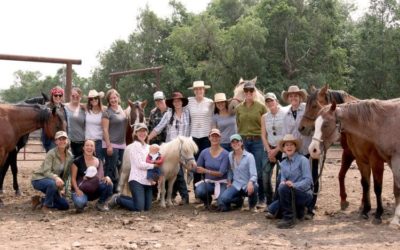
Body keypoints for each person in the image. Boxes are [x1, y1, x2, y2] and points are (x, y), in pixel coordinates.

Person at [147, 91, 191, 204]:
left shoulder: (187, 113)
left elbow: (191, 129)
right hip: (170, 148)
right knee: (171, 172)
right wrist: (147, 138)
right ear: (172, 103)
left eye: (179, 101)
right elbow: (159, 127)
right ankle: (173, 196)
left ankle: (182, 196)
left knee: (180, 172)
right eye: (175, 101)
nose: (177, 103)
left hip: (182, 147)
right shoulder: (169, 114)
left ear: (182, 102)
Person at [281, 85, 318, 218]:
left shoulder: (307, 109)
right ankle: (297, 205)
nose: (293, 97)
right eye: (291, 96)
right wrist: (285, 153)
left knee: (313, 178)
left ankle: (311, 208)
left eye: (296, 95)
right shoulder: (286, 116)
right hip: (295, 151)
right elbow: (286, 135)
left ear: (300, 96)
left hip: (309, 148)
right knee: (297, 177)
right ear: (288, 98)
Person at [110, 123, 161, 211]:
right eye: (139, 131)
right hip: (136, 180)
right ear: (135, 133)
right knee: (139, 208)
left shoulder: (150, 147)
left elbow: (157, 161)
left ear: (147, 133)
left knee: (147, 207)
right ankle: (117, 199)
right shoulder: (133, 147)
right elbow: (139, 164)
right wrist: (154, 165)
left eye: (144, 131)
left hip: (148, 181)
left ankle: (134, 200)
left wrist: (155, 177)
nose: (142, 133)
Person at [235, 81, 267, 208]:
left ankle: (261, 198)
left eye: (251, 91)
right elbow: (238, 124)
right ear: (244, 93)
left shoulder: (261, 107)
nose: (248, 93)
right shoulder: (238, 109)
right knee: (244, 169)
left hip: (257, 140)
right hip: (244, 140)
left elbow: (265, 125)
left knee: (258, 169)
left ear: (254, 92)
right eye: (246, 91)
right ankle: (245, 197)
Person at [270, 134, 313, 229]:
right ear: (284, 148)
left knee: (283, 191)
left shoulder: (303, 160)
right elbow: (283, 180)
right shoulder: (283, 163)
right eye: (286, 145)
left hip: (303, 193)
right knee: (272, 209)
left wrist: (294, 185)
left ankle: (289, 219)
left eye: (291, 145)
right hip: (289, 193)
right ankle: (299, 211)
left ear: (295, 147)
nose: (289, 147)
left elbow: (308, 180)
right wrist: (282, 183)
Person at [31, 131, 72, 211]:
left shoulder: (69, 156)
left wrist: (62, 189)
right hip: (39, 179)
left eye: (64, 139)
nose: (62, 141)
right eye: (59, 139)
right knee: (52, 184)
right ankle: (46, 206)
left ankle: (40, 200)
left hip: (54, 182)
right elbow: (46, 171)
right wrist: (56, 178)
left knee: (65, 206)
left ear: (67, 141)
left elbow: (66, 175)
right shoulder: (51, 153)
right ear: (56, 141)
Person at [187, 81, 214, 198]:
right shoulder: (189, 102)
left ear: (204, 90)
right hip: (193, 136)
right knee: (195, 164)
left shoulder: (210, 102)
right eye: (196, 89)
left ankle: (207, 191)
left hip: (206, 136)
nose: (199, 91)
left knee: (206, 163)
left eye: (201, 89)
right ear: (194, 91)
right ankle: (197, 191)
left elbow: (214, 118)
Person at [70, 139, 113, 213]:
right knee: (80, 204)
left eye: (91, 146)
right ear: (83, 147)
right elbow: (73, 178)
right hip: (81, 190)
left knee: (109, 184)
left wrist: (107, 177)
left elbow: (100, 178)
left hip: (94, 189)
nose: (89, 148)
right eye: (87, 145)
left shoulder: (99, 161)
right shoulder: (77, 161)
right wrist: (77, 190)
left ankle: (100, 203)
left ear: (94, 148)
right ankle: (82, 201)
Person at [218, 134, 258, 212]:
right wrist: (229, 181)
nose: (235, 144)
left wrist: (250, 182)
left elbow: (254, 174)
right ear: (231, 144)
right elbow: (230, 170)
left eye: (237, 141)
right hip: (236, 184)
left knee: (255, 187)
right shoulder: (230, 155)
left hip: (247, 184)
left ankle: (252, 205)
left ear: (242, 142)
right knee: (223, 199)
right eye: (233, 142)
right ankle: (239, 201)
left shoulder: (250, 156)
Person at [260, 92, 285, 206]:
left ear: (276, 101)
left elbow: (286, 134)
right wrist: (269, 151)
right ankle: (269, 202)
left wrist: (276, 150)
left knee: (280, 177)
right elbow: (263, 135)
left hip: (283, 149)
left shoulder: (285, 114)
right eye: (267, 101)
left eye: (271, 101)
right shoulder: (264, 117)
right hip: (269, 148)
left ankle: (277, 202)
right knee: (265, 176)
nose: (270, 103)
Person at [194, 128, 229, 209]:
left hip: (222, 182)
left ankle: (237, 199)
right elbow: (197, 168)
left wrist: (206, 171)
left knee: (222, 206)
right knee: (199, 191)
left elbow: (221, 173)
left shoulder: (225, 154)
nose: (214, 138)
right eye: (212, 136)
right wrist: (189, 165)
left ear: (220, 138)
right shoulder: (204, 152)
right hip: (209, 182)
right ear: (209, 138)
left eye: (217, 136)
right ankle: (207, 201)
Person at [102, 89, 127, 193]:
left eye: (114, 97)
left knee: (120, 167)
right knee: (110, 168)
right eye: (111, 98)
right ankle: (107, 191)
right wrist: (108, 146)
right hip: (111, 144)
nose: (113, 100)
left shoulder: (122, 110)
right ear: (108, 100)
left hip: (122, 144)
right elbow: (104, 129)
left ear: (118, 98)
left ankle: (116, 190)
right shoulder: (107, 112)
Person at [147, 90, 168, 199]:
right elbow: (149, 127)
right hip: (155, 144)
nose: (159, 102)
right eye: (156, 100)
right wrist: (148, 141)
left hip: (167, 143)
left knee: (167, 168)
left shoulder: (170, 110)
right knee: (153, 167)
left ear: (164, 99)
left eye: (160, 99)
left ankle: (170, 193)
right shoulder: (152, 112)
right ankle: (154, 192)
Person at [42, 86, 68, 152]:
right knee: (52, 159)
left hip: (63, 139)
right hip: (51, 140)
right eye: (55, 95)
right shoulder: (47, 108)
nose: (58, 97)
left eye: (60, 95)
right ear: (52, 96)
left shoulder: (64, 108)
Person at [65, 87, 86, 158]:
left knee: (80, 164)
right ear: (70, 96)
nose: (75, 97)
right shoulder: (64, 107)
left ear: (80, 97)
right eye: (73, 96)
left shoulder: (84, 109)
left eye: (77, 96)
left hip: (81, 142)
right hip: (68, 141)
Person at [85, 89, 105, 160]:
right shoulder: (86, 110)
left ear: (99, 99)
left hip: (99, 141)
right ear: (89, 101)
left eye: (95, 98)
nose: (93, 100)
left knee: (99, 162)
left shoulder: (104, 111)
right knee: (88, 163)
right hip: (87, 141)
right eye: (91, 99)